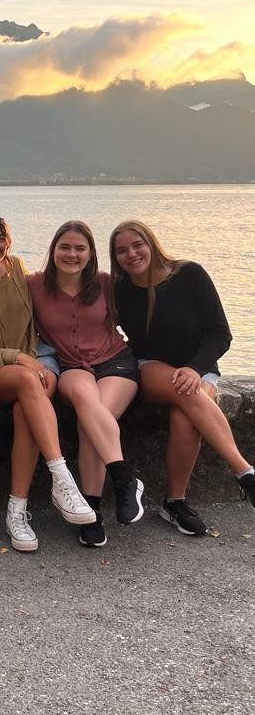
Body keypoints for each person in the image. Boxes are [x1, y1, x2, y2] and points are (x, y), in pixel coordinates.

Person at [0, 213, 95, 553]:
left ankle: (17, 511)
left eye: (0, 238)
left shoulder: (17, 270)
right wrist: (16, 357)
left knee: (27, 410)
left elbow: (65, 289)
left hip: (34, 365)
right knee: (30, 381)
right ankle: (62, 478)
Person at [110, 220, 255, 535]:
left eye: (137, 245)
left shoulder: (190, 274)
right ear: (115, 257)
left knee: (186, 417)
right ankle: (244, 472)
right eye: (122, 250)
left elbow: (220, 334)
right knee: (184, 389)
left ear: (151, 243)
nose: (131, 254)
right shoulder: (120, 290)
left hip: (199, 367)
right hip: (149, 366)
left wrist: (196, 367)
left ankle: (174, 503)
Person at [28, 221, 144, 548]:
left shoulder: (107, 284)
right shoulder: (34, 285)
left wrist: (199, 366)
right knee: (83, 395)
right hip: (70, 366)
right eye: (65, 247)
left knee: (90, 418)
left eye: (80, 248)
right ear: (53, 250)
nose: (72, 254)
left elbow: (147, 310)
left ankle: (91, 509)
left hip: (116, 362)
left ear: (91, 253)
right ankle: (125, 478)